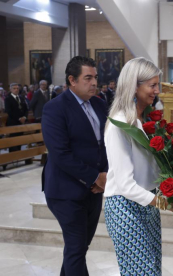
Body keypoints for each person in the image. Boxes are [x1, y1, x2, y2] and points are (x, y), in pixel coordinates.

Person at [104, 57, 173, 275]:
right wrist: (168, 205)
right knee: (141, 271)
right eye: (152, 85)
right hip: (125, 205)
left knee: (152, 268)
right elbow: (125, 185)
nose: (157, 90)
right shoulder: (120, 124)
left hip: (147, 202)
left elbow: (153, 169)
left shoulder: (145, 120)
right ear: (134, 86)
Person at [42, 56, 108, 276]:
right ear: (72, 80)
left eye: (95, 78)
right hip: (65, 190)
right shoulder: (55, 108)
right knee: (76, 249)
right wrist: (94, 177)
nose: (94, 83)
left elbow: (105, 144)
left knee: (78, 249)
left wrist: (104, 174)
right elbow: (60, 154)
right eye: (87, 78)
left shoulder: (99, 104)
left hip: (94, 190)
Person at [5, 83, 28, 152]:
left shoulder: (21, 97)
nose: (16, 90)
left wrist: (24, 117)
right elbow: (9, 111)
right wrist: (19, 118)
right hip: (13, 122)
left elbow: (26, 109)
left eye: (17, 88)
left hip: (21, 122)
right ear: (11, 89)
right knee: (13, 141)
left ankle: (19, 155)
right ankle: (13, 157)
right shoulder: (8, 99)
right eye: (14, 88)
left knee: (20, 140)